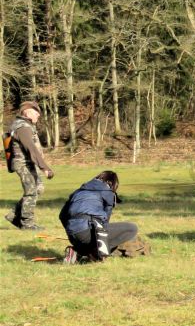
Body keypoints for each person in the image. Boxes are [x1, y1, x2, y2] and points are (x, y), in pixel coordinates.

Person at [59, 171, 138, 263]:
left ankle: (76, 251)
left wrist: (73, 230)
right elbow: (105, 223)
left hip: (72, 235)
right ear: (112, 183)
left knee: (90, 236)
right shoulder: (108, 192)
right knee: (132, 228)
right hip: (87, 232)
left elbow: (62, 216)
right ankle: (95, 253)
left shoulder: (78, 191)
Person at [5, 101, 55, 230]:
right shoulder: (23, 128)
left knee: (38, 188)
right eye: (36, 112)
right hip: (22, 164)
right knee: (31, 191)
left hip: (28, 163)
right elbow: (31, 148)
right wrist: (45, 168)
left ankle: (13, 215)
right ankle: (27, 223)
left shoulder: (26, 125)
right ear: (27, 112)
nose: (39, 115)